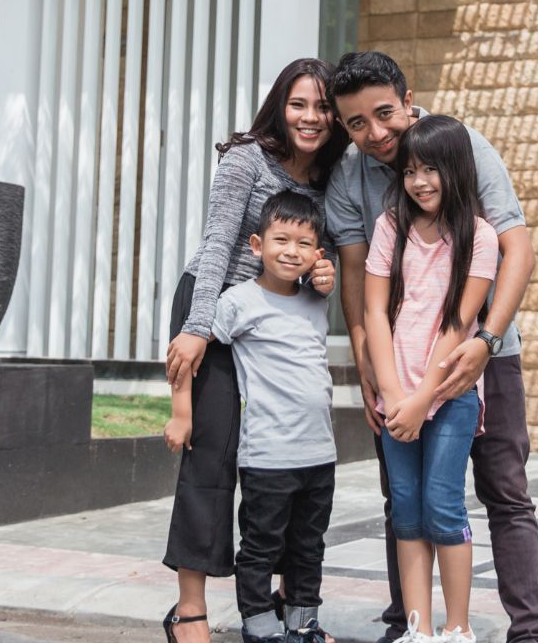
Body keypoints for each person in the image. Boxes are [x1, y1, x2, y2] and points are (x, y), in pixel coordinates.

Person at [325, 52, 538, 643]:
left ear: (408, 95)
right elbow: (355, 278)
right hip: (396, 361)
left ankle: (526, 629)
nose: (375, 133)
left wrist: (487, 340)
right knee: (405, 497)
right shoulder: (350, 174)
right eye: (356, 123)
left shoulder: (463, 146)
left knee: (504, 489)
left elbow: (515, 249)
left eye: (385, 113)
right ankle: (409, 623)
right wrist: (368, 365)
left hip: (483, 352)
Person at [162, 58, 350, 643]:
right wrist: (196, 328)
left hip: (279, 318)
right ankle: (189, 609)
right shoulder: (246, 158)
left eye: (322, 107)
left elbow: (320, 251)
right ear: (280, 105)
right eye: (299, 104)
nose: (311, 117)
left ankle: (291, 606)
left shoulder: (331, 175)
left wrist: (320, 274)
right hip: (215, 307)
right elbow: (218, 244)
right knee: (210, 454)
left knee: (284, 460)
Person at [363, 117, 497, 643]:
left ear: (456, 169)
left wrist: (424, 397)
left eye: (432, 169)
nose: (420, 181)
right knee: (408, 511)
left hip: (451, 397)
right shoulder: (390, 228)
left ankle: (457, 628)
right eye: (412, 170)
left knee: (443, 506)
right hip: (396, 397)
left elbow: (460, 322)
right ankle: (417, 629)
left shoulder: (480, 237)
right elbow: (375, 312)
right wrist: (394, 394)